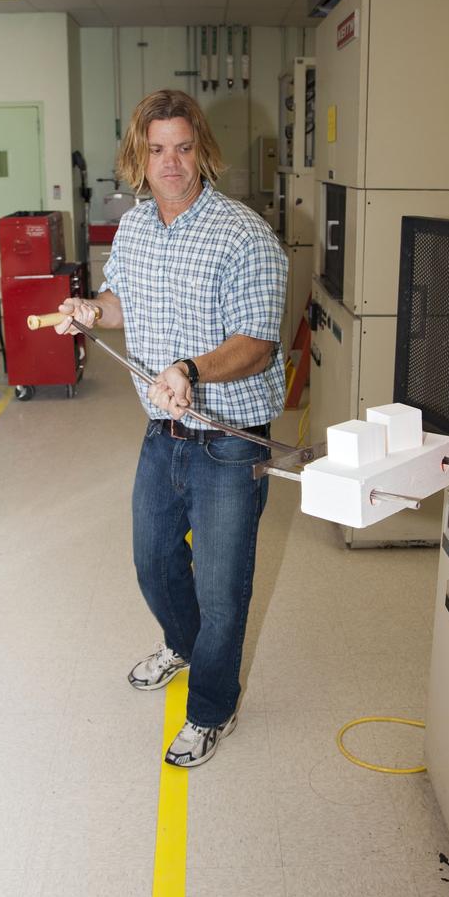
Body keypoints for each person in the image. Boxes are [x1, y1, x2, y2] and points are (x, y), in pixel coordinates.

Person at [56, 88, 287, 768]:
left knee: (222, 587)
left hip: (228, 437)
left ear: (202, 151)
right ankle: (184, 645)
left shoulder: (243, 235)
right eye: (157, 150)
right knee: (154, 562)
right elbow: (123, 299)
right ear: (138, 157)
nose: (171, 163)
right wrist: (91, 313)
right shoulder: (133, 228)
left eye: (183, 148)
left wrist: (190, 368)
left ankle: (211, 709)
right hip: (164, 430)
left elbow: (258, 344)